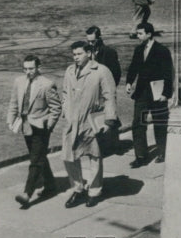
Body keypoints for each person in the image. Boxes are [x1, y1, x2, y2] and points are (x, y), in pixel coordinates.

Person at [60, 41, 118, 208]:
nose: (75, 57)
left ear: (89, 53)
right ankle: (77, 188)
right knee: (69, 156)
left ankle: (94, 191)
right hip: (72, 121)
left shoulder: (101, 71)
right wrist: (66, 110)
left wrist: (109, 120)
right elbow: (65, 93)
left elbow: (110, 96)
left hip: (90, 120)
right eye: (74, 54)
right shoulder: (70, 71)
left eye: (79, 54)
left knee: (94, 156)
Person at [6, 55, 62, 208]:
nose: (28, 72)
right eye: (25, 69)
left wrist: (48, 126)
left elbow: (56, 108)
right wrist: (10, 119)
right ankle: (50, 185)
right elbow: (14, 102)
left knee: (35, 160)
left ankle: (27, 194)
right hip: (25, 126)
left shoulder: (47, 84)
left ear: (38, 67)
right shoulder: (19, 81)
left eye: (31, 68)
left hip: (41, 128)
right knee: (38, 156)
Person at [126, 22, 174, 166]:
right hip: (141, 92)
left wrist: (166, 93)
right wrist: (129, 82)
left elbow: (168, 73)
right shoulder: (138, 49)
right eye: (137, 34)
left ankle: (162, 151)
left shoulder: (162, 51)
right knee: (138, 122)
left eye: (140, 34)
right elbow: (133, 67)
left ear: (149, 34)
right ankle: (141, 156)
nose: (138, 36)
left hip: (157, 91)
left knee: (159, 122)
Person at [85, 25, 123, 155]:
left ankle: (114, 144)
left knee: (109, 114)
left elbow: (116, 72)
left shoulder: (109, 52)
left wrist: (110, 88)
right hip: (92, 90)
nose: (90, 44)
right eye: (88, 41)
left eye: (93, 41)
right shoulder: (87, 52)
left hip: (105, 89)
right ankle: (101, 144)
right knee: (95, 117)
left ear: (99, 38)